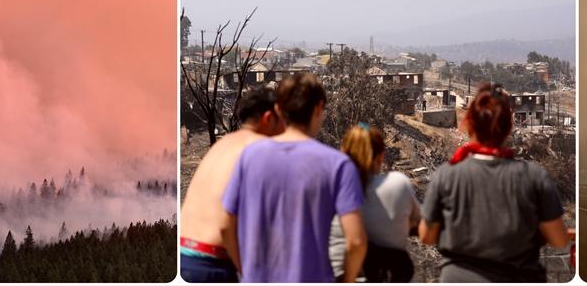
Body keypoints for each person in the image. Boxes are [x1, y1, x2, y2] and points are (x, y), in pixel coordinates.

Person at [223, 73, 368, 282]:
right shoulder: (338, 165)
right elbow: (356, 241)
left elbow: (225, 226)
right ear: (319, 109)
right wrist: (347, 280)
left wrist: (245, 271)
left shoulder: (249, 156)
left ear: (278, 110)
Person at [419, 82, 569, 282]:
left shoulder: (446, 176)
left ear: (470, 124)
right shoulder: (534, 177)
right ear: (508, 127)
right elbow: (559, 239)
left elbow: (427, 236)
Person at [180, 86, 286, 282]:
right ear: (269, 118)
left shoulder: (223, 145)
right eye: (283, 120)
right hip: (214, 264)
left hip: (184, 255)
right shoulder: (260, 148)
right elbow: (227, 225)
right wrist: (245, 272)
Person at [329, 124, 420, 282]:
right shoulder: (397, 184)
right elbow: (418, 222)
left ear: (343, 153)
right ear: (381, 156)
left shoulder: (331, 190)